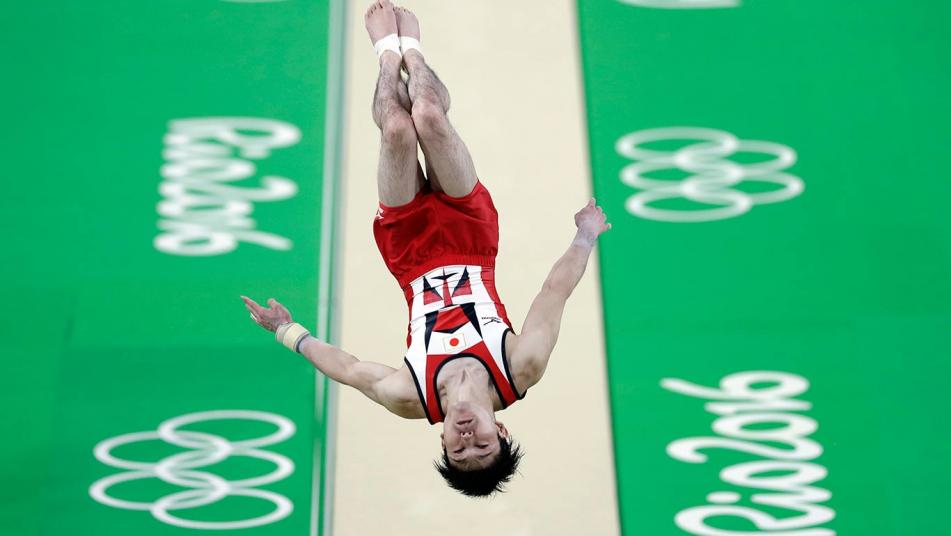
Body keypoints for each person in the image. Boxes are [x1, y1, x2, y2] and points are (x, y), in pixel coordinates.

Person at [241, 0, 610, 497]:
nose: (467, 440)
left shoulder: (407, 395)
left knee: (396, 129)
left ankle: (387, 55)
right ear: (501, 430)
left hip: (410, 256)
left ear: (441, 440)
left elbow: (349, 370)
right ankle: (414, 51)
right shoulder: (521, 367)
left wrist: (287, 330)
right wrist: (584, 237)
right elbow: (552, 294)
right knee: (430, 116)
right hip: (472, 239)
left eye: (458, 452)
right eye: (483, 446)